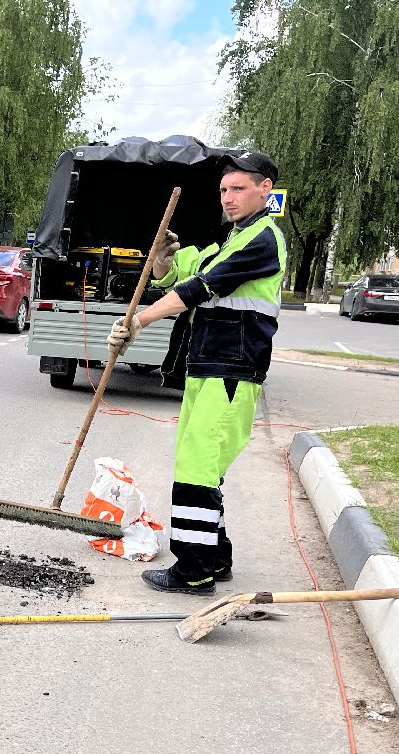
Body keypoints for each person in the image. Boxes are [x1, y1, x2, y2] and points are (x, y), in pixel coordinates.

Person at [107, 149, 287, 594]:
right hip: (206, 367)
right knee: (202, 467)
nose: (228, 197)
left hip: (233, 371)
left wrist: (138, 320)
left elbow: (200, 287)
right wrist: (164, 261)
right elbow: (182, 272)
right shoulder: (230, 238)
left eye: (238, 188)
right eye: (224, 189)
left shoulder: (264, 239)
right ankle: (216, 557)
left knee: (197, 467)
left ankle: (194, 570)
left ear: (266, 189)